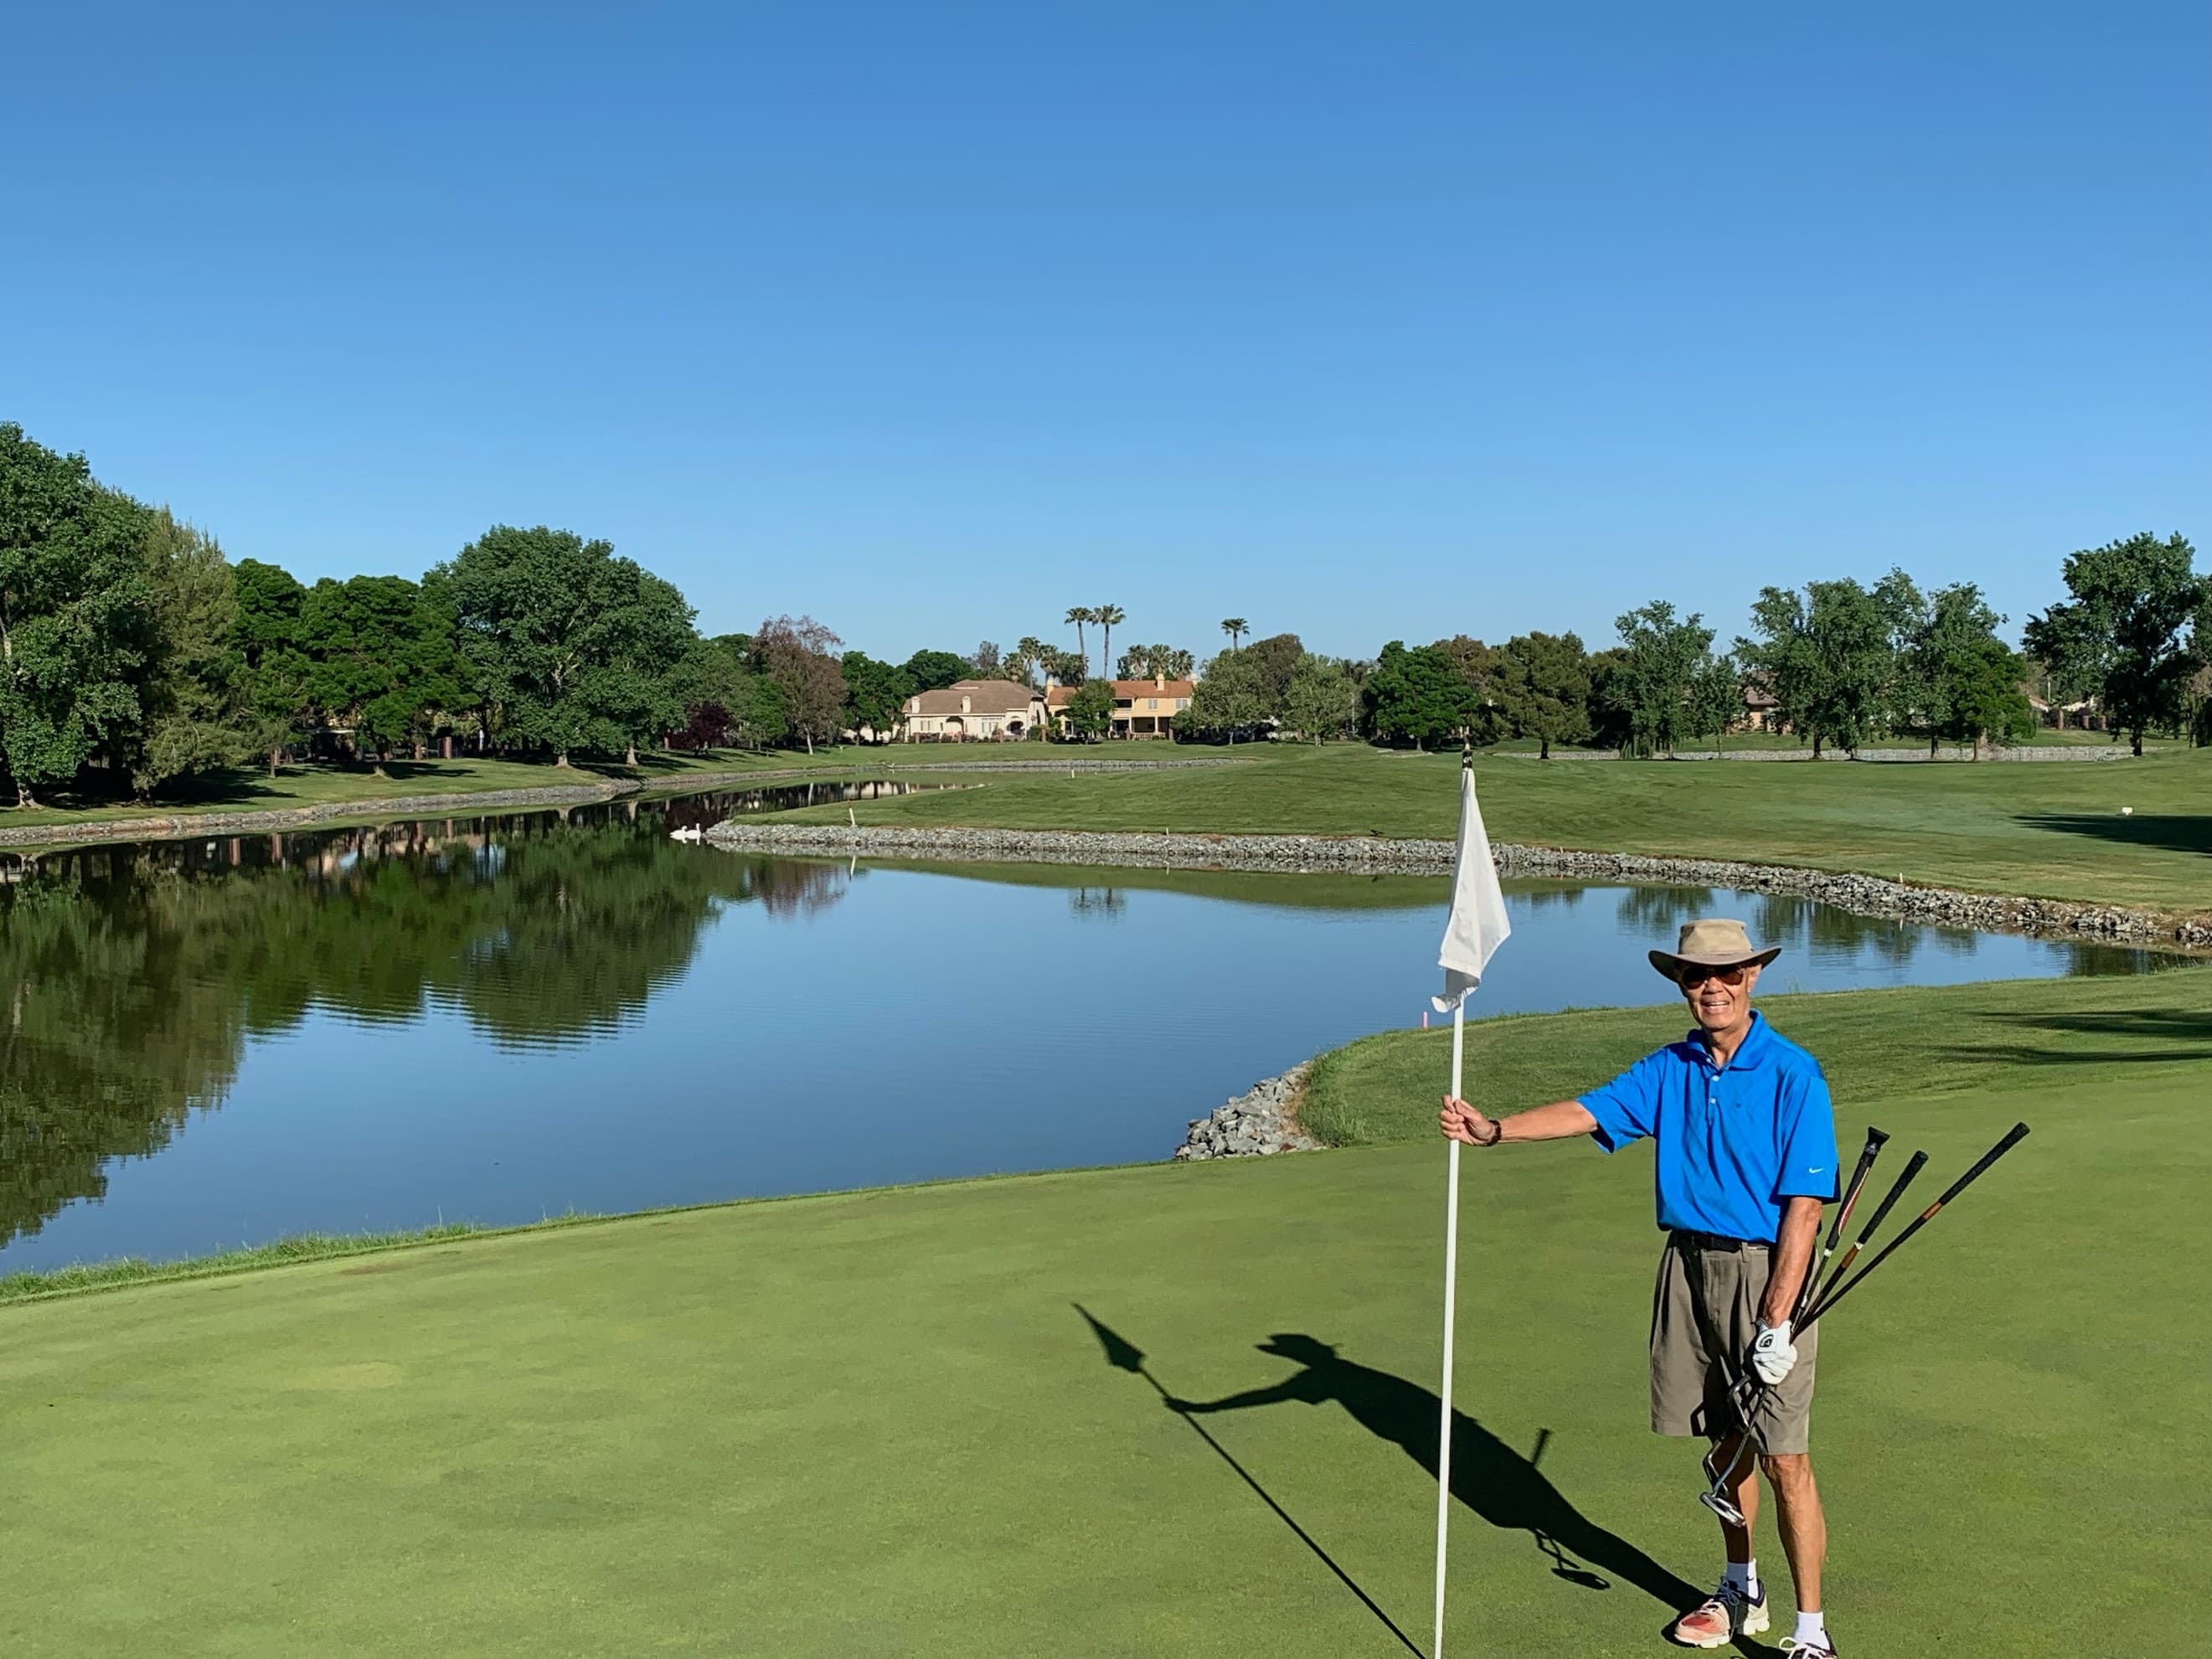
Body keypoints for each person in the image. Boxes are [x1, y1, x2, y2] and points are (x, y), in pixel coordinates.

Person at [1439, 918, 1842, 1656]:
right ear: (1681, 984)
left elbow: (1805, 1209)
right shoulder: (1671, 1066)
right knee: (1723, 1446)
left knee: (1783, 1455)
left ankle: (1811, 1633)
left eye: (1725, 974)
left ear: (1752, 977)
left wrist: (1776, 1319)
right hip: (1685, 1267)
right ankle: (1738, 1587)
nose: (1710, 987)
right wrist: (1494, 1130)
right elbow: (1589, 1110)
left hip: (1764, 1273)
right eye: (1695, 976)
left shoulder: (1792, 1072)